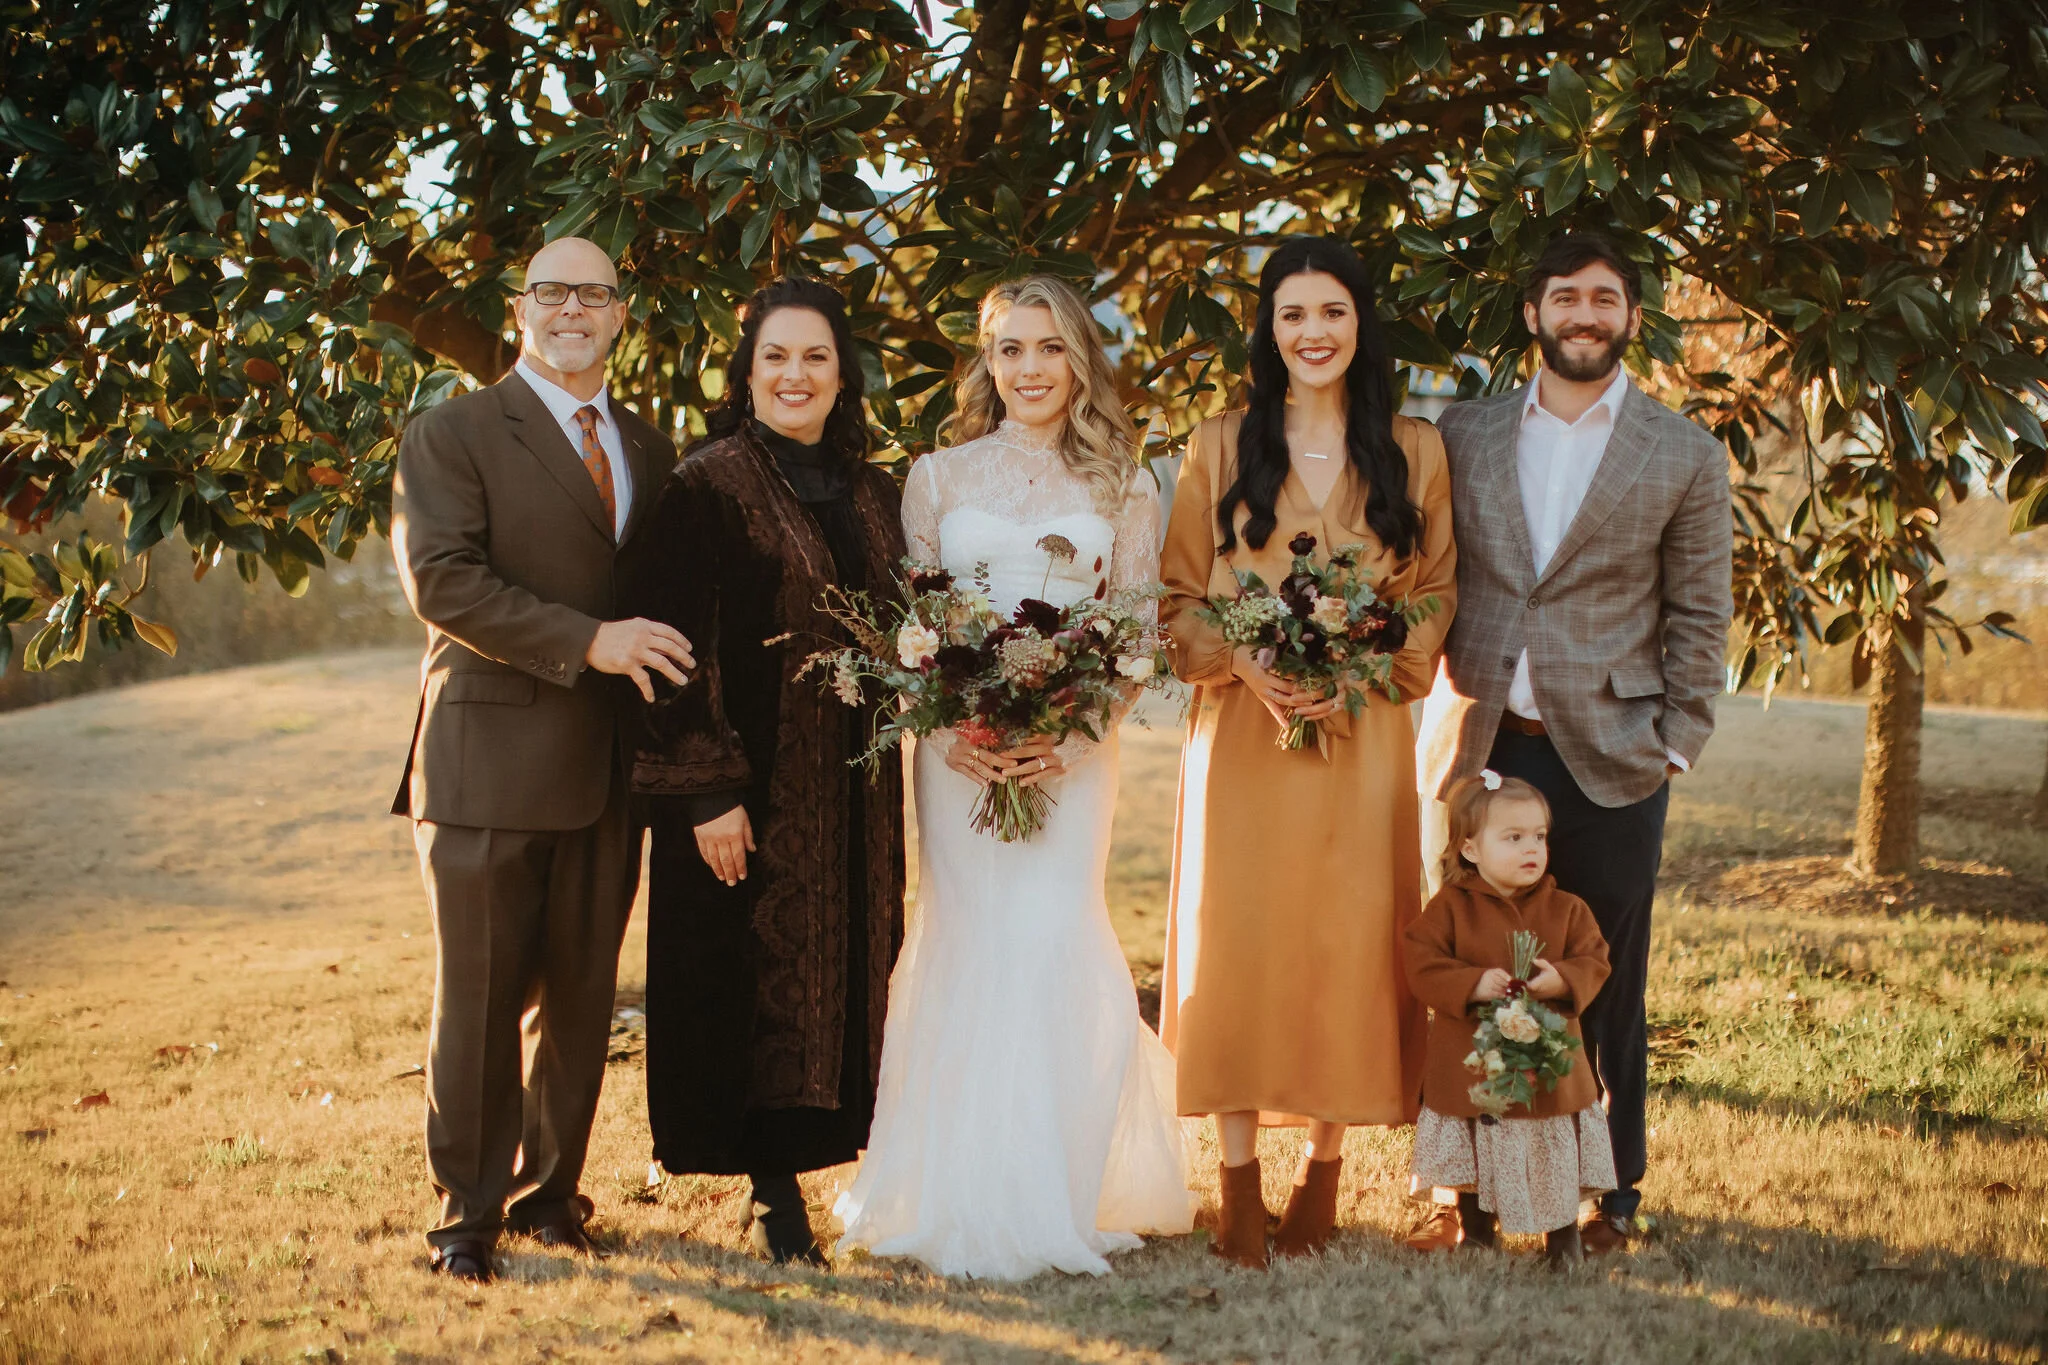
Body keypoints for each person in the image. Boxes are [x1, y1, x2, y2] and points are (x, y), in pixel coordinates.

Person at [832, 275, 1197, 1280]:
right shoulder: (935, 478)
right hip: (955, 756)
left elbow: (1129, 628)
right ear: (985, 364)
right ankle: (948, 1187)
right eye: (1008, 350)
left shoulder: (1125, 481)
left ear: (1080, 358)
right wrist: (947, 729)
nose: (1028, 369)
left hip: (1071, 752)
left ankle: (1057, 1188)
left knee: (1048, 935)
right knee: (963, 937)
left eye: (1048, 348)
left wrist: (1069, 740)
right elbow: (915, 624)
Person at [1414, 231, 1733, 1255]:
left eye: (1603, 298)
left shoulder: (1679, 451)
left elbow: (1699, 613)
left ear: (1630, 317)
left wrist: (1673, 744)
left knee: (1600, 977)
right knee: (1474, 968)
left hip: (1611, 750)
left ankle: (1612, 1192)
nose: (1583, 313)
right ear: (1532, 315)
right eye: (1564, 297)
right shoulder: (1461, 431)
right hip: (1481, 743)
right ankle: (1467, 1193)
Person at [390, 236, 689, 1282]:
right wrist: (587, 642)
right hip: (486, 755)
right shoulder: (453, 432)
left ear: (620, 314)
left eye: (593, 293)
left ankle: (550, 1198)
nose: (572, 308)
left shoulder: (651, 448)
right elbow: (443, 583)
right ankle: (465, 1219)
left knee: (580, 996)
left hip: (609, 764)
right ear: (519, 308)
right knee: (476, 997)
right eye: (551, 291)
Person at [1159, 236, 1458, 1268]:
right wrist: (1244, 664)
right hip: (1242, 737)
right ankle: (1234, 1185)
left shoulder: (1412, 452)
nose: (1312, 333)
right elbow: (1178, 605)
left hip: (1362, 739)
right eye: (1291, 315)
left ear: (1359, 323)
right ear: (1268, 330)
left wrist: (1356, 671)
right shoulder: (1218, 445)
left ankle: (1320, 1179)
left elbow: (1433, 599)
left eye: (1330, 312)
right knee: (1237, 941)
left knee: (1345, 937)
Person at [618, 278, 907, 1266]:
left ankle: (845, 1164)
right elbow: (666, 644)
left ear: (842, 373)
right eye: (774, 357)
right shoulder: (706, 485)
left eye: (814, 357)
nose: (794, 375)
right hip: (744, 788)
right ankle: (770, 1193)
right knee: (744, 983)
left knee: (847, 982)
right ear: (745, 373)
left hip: (855, 793)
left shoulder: (876, 493)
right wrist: (706, 792)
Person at [1403, 772, 1614, 1268]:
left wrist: (1559, 980)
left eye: (1539, 837)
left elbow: (1595, 959)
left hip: (1547, 1067)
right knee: (1479, 1143)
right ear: (1471, 849)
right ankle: (1477, 1229)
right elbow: (1422, 961)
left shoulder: (1566, 908)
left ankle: (1562, 1241)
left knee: (1551, 1148)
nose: (1532, 849)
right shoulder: (1451, 909)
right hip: (1475, 1063)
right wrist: (1472, 984)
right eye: (1513, 838)